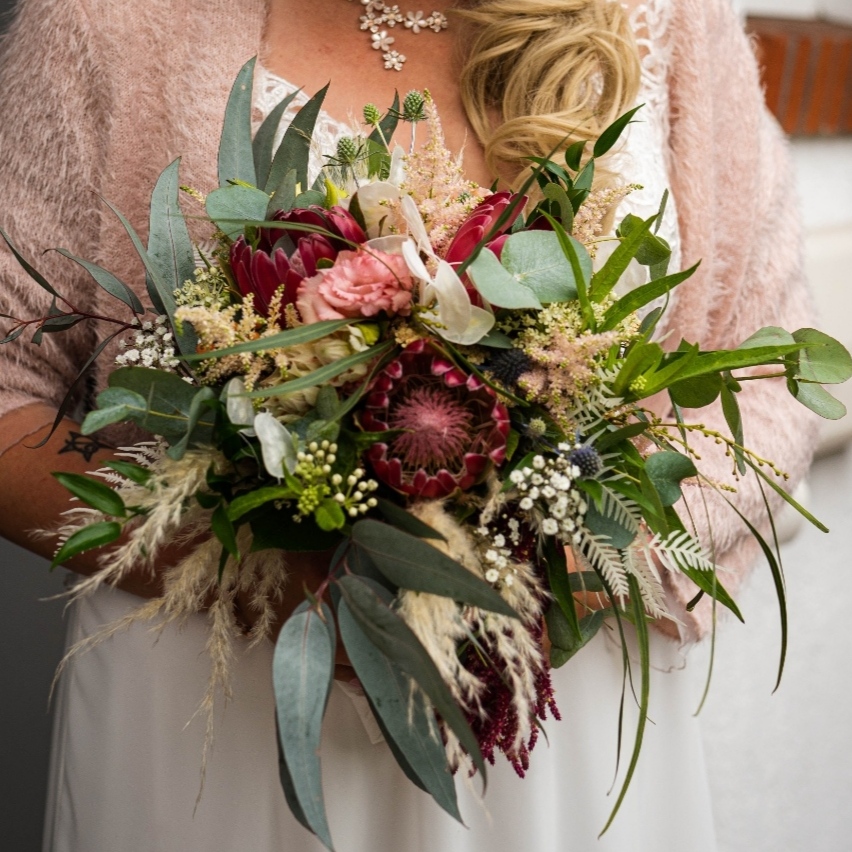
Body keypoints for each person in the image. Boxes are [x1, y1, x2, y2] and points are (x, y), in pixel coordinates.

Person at [0, 1, 817, 850]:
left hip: (549, 730)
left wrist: (572, 568)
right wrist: (254, 571)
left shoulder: (672, 18)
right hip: (214, 718)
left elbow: (772, 376)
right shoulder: (109, 21)